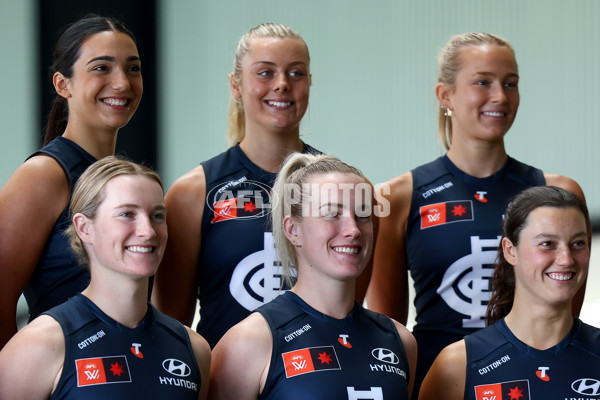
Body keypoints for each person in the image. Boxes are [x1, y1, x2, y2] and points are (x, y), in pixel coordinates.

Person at [365, 32, 587, 398]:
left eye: (510, 83)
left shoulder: (560, 194)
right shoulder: (396, 197)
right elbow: (389, 331)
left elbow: (565, 319)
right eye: (483, 82)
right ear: (445, 95)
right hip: (435, 383)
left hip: (533, 383)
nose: (500, 96)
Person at [152, 23, 324, 348]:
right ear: (236, 85)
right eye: (265, 72)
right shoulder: (192, 193)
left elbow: (349, 316)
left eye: (296, 73)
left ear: (309, 83)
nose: (283, 84)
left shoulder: (344, 189)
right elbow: (172, 331)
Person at [208, 153, 416, 399]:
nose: (353, 229)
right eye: (331, 213)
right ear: (293, 230)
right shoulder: (249, 342)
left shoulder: (400, 341)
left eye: (362, 215)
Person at [0, 156, 211, 399]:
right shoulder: (40, 345)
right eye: (127, 214)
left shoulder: (194, 349)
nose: (148, 231)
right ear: (84, 227)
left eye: (157, 215)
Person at [0, 14, 143, 349]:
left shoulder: (123, 178)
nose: (122, 82)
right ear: (63, 84)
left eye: (132, 68)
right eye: (101, 68)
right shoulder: (44, 175)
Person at [419, 186, 599, 399]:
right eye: (547, 244)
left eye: (578, 243)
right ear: (510, 251)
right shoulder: (457, 366)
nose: (566, 259)